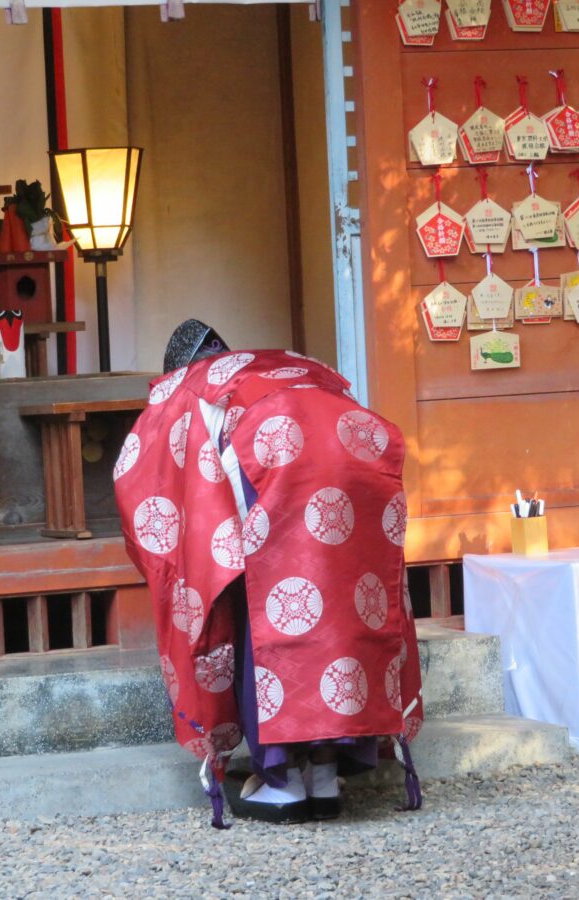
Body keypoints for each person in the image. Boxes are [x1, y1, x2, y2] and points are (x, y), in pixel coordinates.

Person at [114, 319, 423, 826]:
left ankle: (282, 782)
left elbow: (138, 477)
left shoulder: (187, 388)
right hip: (360, 463)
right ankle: (326, 772)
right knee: (340, 609)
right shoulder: (288, 367)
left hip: (273, 468)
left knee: (268, 612)